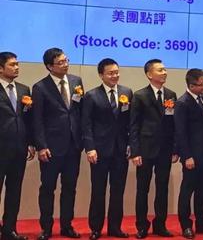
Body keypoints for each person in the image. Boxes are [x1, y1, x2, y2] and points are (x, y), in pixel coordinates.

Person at [32, 48, 84, 240]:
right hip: (51, 148)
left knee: (70, 188)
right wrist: (41, 146)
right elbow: (37, 120)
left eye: (66, 60)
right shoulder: (40, 87)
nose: (65, 64)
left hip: (73, 145)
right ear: (49, 66)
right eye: (60, 62)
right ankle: (46, 228)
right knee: (48, 188)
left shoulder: (76, 81)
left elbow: (79, 112)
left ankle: (66, 225)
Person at [81, 58, 133, 240]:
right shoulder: (91, 95)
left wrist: (130, 144)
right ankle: (95, 228)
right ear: (101, 75)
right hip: (99, 150)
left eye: (117, 72)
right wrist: (90, 148)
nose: (115, 76)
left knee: (118, 191)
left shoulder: (127, 92)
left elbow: (130, 122)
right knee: (98, 190)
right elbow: (86, 124)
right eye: (110, 73)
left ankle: (115, 227)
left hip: (120, 150)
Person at [129, 59, 179, 239]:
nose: (164, 72)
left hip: (165, 150)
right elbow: (133, 126)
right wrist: (135, 152)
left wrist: (175, 149)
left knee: (162, 188)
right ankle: (142, 225)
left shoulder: (171, 95)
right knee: (143, 189)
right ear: (149, 74)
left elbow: (173, 124)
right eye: (160, 70)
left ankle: (160, 224)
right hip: (145, 150)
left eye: (165, 69)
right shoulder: (140, 95)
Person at [174, 68, 203, 239]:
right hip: (192, 156)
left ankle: (202, 222)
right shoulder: (182, 103)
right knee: (187, 190)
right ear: (192, 86)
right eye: (202, 84)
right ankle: (186, 225)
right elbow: (180, 132)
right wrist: (187, 156)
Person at [0, 52, 35, 240]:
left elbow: (28, 119)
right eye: (12, 64)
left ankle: (9, 229)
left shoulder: (23, 89)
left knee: (14, 190)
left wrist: (30, 142)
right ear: (0, 68)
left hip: (19, 148)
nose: (17, 67)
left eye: (17, 64)